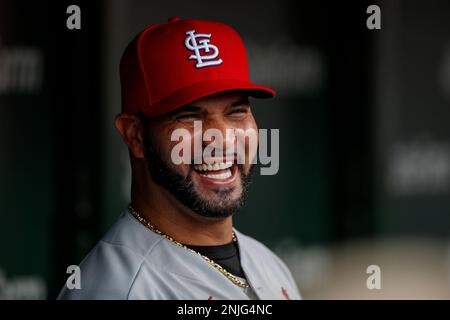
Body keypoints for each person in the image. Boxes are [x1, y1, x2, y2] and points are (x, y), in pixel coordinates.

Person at [58, 17, 301, 300]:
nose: (221, 137)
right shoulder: (119, 290)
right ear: (135, 135)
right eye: (189, 116)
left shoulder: (268, 264)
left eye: (236, 112)